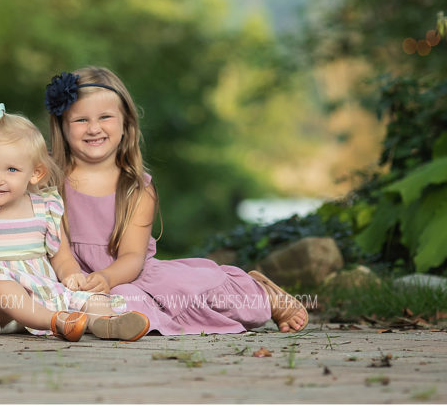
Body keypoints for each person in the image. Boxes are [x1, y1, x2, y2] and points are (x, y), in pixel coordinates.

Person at [44, 67, 308, 335]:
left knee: (190, 296)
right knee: (125, 301)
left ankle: (260, 293)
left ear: (126, 123)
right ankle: (119, 323)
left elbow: (133, 258)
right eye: (80, 120)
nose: (93, 128)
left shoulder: (135, 188)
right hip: (70, 278)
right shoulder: (46, 178)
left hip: (126, 273)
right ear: (62, 126)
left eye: (105, 117)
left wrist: (105, 278)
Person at [0, 103, 150, 341]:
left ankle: (106, 323)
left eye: (12, 169)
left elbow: (61, 256)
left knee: (88, 297)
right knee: (5, 288)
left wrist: (72, 275)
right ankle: (57, 322)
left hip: (43, 292)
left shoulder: (45, 207)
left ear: (35, 174)